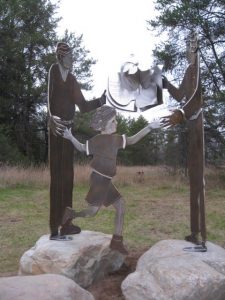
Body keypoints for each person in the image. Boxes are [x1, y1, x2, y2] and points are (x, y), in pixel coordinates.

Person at [59, 105, 162, 255]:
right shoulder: (97, 140)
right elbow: (82, 148)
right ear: (104, 123)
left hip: (106, 180)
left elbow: (132, 140)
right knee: (91, 212)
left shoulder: (116, 139)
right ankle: (70, 215)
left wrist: (149, 127)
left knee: (120, 206)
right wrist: (70, 137)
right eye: (113, 121)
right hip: (99, 179)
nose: (116, 123)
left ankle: (116, 242)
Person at [48, 42, 106, 241]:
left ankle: (66, 225)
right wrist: (49, 117)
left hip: (68, 132)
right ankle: (54, 227)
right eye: (70, 57)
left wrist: (100, 101)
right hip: (56, 130)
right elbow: (48, 100)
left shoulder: (72, 80)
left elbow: (82, 105)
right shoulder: (54, 72)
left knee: (68, 179)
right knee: (56, 179)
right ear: (61, 57)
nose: (72, 60)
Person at [162, 33, 206, 249]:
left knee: (198, 181)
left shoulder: (198, 71)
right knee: (193, 183)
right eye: (188, 47)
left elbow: (193, 97)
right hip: (190, 127)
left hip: (197, 129)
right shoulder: (189, 70)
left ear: (197, 49)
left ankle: (202, 235)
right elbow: (181, 94)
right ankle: (194, 233)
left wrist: (180, 113)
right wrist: (165, 83)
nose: (190, 50)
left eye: (193, 47)